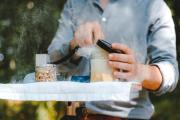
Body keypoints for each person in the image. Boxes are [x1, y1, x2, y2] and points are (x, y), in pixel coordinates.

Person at [48, 0, 179, 119]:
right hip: (77, 114)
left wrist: (138, 71)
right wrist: (74, 44)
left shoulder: (154, 6)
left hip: (128, 116)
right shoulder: (75, 4)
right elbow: (50, 64)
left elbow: (170, 73)